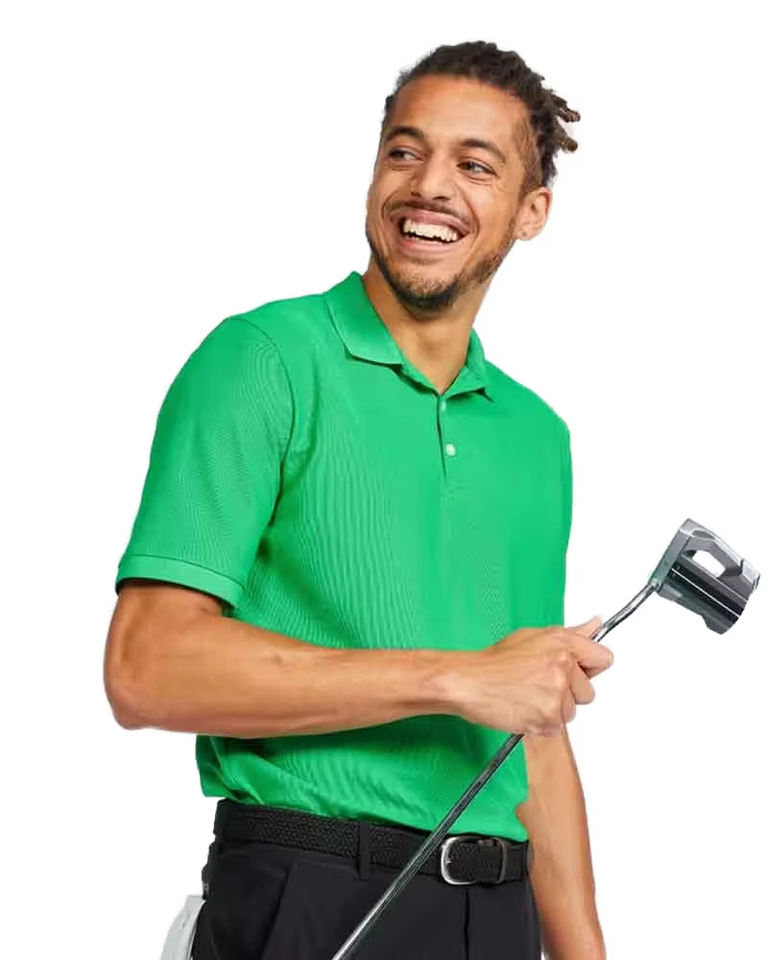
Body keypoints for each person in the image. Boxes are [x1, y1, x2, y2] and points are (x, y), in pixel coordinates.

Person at [104, 39, 614, 960]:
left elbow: (530, 724)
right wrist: (452, 678)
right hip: (309, 892)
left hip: (497, 913)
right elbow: (145, 668)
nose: (430, 187)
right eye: (405, 152)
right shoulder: (264, 361)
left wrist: (583, 950)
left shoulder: (537, 437)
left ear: (531, 211)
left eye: (475, 165)